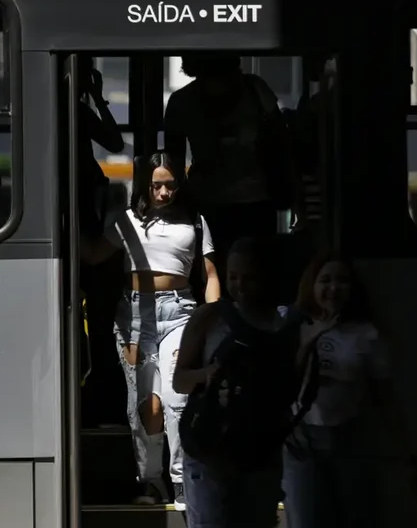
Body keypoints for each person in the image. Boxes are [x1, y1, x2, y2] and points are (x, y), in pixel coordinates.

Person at [87, 151, 221, 508]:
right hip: (133, 316)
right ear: (145, 184)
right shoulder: (125, 220)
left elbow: (209, 275)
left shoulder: (194, 221)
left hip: (181, 313)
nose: (164, 193)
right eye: (156, 185)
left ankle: (180, 481)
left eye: (171, 185)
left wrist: (212, 319)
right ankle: (150, 481)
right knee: (146, 405)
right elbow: (95, 254)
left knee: (178, 400)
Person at [173, 237, 318, 528]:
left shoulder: (285, 323)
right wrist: (209, 373)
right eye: (233, 277)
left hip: (259, 452)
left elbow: (293, 390)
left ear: (267, 277)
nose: (239, 285)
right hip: (210, 448)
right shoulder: (210, 316)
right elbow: (180, 381)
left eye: (249, 278)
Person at [282, 252, 415, 528]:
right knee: (307, 519)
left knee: (355, 517)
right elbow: (281, 384)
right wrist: (308, 342)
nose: (334, 288)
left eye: (342, 281)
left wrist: (405, 448)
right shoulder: (292, 323)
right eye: (326, 280)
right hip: (302, 440)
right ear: (312, 284)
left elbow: (384, 396)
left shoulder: (365, 334)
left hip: (349, 439)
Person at [164, 54, 302, 289]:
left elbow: (172, 163)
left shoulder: (182, 101)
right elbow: (282, 141)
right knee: (255, 275)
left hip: (218, 201)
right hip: (249, 200)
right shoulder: (254, 90)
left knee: (213, 276)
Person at [75, 57, 129, 428]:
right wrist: (98, 98)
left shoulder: (74, 111)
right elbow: (113, 140)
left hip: (83, 222)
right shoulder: (76, 111)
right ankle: (100, 391)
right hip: (81, 223)